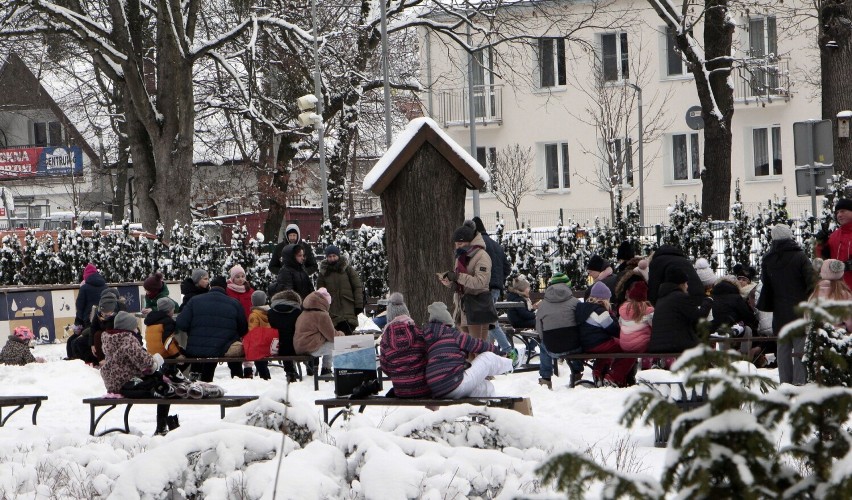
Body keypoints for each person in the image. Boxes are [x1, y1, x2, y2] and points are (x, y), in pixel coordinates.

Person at [100, 311, 177, 435]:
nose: (137, 329)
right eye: (135, 326)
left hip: (114, 383)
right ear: (129, 327)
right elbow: (145, 363)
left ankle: (162, 428)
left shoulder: (109, 339)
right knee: (163, 388)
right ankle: (161, 427)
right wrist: (156, 362)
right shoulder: (128, 339)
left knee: (159, 382)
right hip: (128, 383)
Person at [756, 224, 815, 385]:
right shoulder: (800, 257)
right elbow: (812, 282)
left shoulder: (768, 259)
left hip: (779, 310)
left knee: (782, 349)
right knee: (800, 347)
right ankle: (799, 381)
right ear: (790, 236)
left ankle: (785, 382)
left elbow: (765, 283)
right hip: (799, 309)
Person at [421, 301, 513, 398]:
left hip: (438, 389)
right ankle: (511, 363)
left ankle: (487, 411)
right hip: (453, 382)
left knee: (487, 387)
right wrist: (498, 352)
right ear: (447, 320)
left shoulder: (427, 339)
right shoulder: (452, 334)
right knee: (488, 358)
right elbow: (478, 345)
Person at [177, 276, 248, 381]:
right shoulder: (234, 304)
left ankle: (200, 387)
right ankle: (238, 383)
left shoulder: (194, 301)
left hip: (198, 347)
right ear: (225, 288)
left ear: (210, 286)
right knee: (235, 366)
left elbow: (181, 323)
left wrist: (194, 332)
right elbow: (243, 329)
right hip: (224, 348)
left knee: (205, 372)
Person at [439, 222, 495, 344]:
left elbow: (480, 282)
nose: (457, 247)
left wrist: (458, 276)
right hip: (462, 308)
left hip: (477, 307)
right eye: (456, 244)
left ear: (470, 241)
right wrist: (450, 281)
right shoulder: (461, 256)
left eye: (460, 243)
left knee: (477, 348)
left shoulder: (482, 256)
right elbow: (460, 281)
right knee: (465, 348)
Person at [471, 217, 517, 360]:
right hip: (496, 287)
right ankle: (490, 353)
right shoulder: (495, 245)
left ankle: (509, 351)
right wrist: (499, 280)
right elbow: (507, 268)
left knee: (490, 322)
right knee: (488, 322)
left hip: (485, 288)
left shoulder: (479, 246)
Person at [576, 282, 635, 387]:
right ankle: (615, 376)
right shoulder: (600, 312)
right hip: (597, 344)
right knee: (629, 348)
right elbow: (614, 330)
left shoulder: (585, 308)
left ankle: (598, 371)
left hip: (586, 344)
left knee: (610, 346)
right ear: (604, 299)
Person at [648, 267, 713, 354]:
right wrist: (708, 301)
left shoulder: (661, 298)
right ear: (680, 284)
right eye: (686, 283)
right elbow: (699, 317)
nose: (687, 286)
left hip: (657, 345)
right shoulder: (680, 297)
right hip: (676, 344)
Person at [378, 292, 431, 398]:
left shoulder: (385, 340)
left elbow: (385, 366)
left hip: (400, 390)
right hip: (423, 388)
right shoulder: (419, 334)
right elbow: (428, 357)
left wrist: (398, 375)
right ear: (407, 314)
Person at [535, 272, 582, 389]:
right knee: (579, 342)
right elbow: (582, 324)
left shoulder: (543, 305)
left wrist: (544, 339)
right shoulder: (575, 303)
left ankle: (545, 379)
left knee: (543, 346)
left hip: (552, 346)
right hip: (573, 346)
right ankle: (577, 373)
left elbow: (539, 329)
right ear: (568, 285)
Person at [294, 288, 344, 375]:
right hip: (311, 347)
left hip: (300, 346)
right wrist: (341, 334)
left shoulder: (304, 313)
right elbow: (332, 336)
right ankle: (326, 369)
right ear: (325, 302)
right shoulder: (321, 315)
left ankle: (326, 369)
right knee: (336, 343)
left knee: (330, 342)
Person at [316, 245, 364, 336]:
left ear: (338, 256)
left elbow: (357, 287)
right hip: (332, 313)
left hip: (348, 309)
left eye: (334, 256)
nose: (332, 258)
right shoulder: (323, 273)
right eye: (330, 256)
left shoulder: (348, 270)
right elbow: (320, 293)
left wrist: (358, 305)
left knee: (348, 339)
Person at [268, 290, 303, 382]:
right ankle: (309, 370)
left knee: (283, 340)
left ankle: (289, 371)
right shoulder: (298, 312)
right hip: (296, 347)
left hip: (276, 348)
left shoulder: (270, 312)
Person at [816, 198, 852, 289]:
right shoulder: (833, 236)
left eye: (843, 211)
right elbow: (823, 260)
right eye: (837, 212)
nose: (839, 215)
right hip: (838, 290)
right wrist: (821, 243)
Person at [809, 259, 852, 331]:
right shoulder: (845, 295)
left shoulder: (815, 293)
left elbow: (808, 316)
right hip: (839, 336)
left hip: (818, 335)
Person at [619, 281, 654, 354]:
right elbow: (655, 326)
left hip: (624, 346)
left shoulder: (623, 309)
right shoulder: (647, 310)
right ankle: (648, 360)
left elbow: (620, 324)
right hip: (642, 346)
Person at [244, 290, 272, 380]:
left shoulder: (254, 315)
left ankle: (265, 378)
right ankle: (266, 378)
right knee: (263, 363)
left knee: (260, 363)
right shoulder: (269, 312)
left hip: (258, 344)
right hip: (267, 342)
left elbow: (252, 330)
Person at [75, 263, 107, 329]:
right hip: (104, 319)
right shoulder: (105, 287)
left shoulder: (84, 288)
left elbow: (79, 306)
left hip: (89, 320)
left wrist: (79, 321)